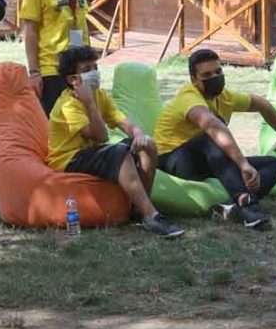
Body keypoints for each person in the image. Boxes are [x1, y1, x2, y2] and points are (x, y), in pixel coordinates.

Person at [43, 44, 186, 238]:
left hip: (92, 152)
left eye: (95, 68)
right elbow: (101, 136)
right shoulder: (67, 105)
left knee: (148, 145)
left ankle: (141, 209)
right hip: (68, 159)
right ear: (72, 79)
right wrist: (90, 104)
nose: (94, 73)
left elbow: (124, 123)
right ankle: (152, 216)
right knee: (119, 153)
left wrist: (138, 135)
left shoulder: (100, 95)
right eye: (87, 70)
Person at [153, 46, 276, 228]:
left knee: (273, 164)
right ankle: (247, 205)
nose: (215, 78)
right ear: (194, 80)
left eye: (218, 72)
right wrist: (243, 164)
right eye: (207, 75)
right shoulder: (188, 96)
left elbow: (263, 105)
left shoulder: (225, 97)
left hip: (207, 159)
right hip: (173, 160)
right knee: (211, 134)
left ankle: (230, 208)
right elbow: (211, 125)